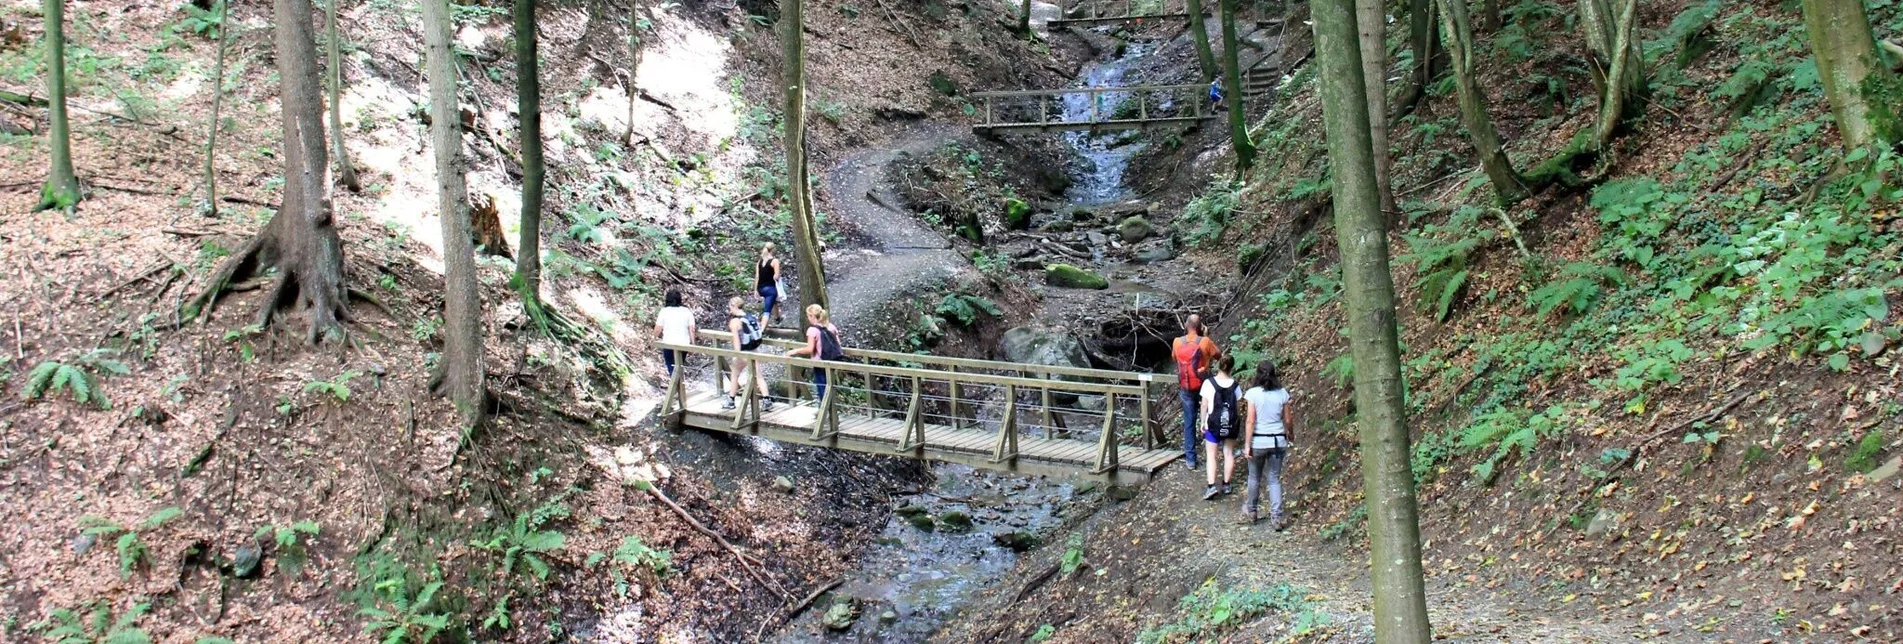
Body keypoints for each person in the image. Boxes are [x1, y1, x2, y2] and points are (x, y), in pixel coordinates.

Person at [1241, 362, 1293, 529]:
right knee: (1274, 479)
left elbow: (1250, 420)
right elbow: (1288, 420)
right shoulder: (1282, 393)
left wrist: (1247, 444)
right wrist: (1290, 433)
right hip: (1278, 441)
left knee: (1254, 477)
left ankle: (1252, 511)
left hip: (1258, 441)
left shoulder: (1253, 394)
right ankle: (1276, 517)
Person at [1172, 314, 1221, 470]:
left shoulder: (1177, 342)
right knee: (1212, 415)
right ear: (1200, 327)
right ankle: (1214, 452)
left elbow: (1175, 358)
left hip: (1186, 385)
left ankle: (1191, 459)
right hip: (1204, 383)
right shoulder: (1205, 341)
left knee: (1189, 421)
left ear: (1186, 326)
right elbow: (1219, 355)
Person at [1200, 355, 1243, 500]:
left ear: (1218, 365)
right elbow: (1236, 406)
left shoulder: (1208, 383)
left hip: (1212, 425)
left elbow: (1204, 405)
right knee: (1229, 453)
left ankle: (1211, 486)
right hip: (1230, 424)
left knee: (1211, 455)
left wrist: (1202, 422)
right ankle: (1226, 484)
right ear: (1232, 368)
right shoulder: (1235, 385)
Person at [785, 304, 844, 401]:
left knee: (822, 387)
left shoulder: (812, 330)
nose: (808, 318)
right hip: (833, 360)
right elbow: (838, 344)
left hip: (819, 362)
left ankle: (824, 410)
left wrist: (794, 351)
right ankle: (831, 410)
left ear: (812, 316)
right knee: (830, 385)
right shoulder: (831, 327)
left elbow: (810, 349)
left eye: (808, 316)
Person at [723, 296, 771, 410]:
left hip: (744, 352)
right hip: (754, 350)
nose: (729, 309)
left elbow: (736, 342)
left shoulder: (734, 321)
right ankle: (766, 399)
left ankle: (731, 401)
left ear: (733, 306)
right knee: (758, 375)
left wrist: (737, 355)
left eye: (730, 306)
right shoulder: (750, 317)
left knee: (735, 373)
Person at [653, 289, 697, 376]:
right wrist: (693, 344)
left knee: (671, 367)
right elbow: (691, 329)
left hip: (668, 343)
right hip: (683, 344)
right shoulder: (686, 311)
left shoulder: (664, 311)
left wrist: (654, 338)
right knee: (679, 366)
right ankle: (679, 386)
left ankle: (676, 387)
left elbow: (658, 329)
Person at [756, 243, 784, 323]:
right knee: (767, 310)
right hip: (770, 289)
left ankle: (777, 317)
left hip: (760, 288)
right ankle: (762, 328)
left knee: (773, 301)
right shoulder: (774, 261)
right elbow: (776, 276)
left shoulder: (760, 262)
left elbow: (757, 277)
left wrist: (755, 290)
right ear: (774, 250)